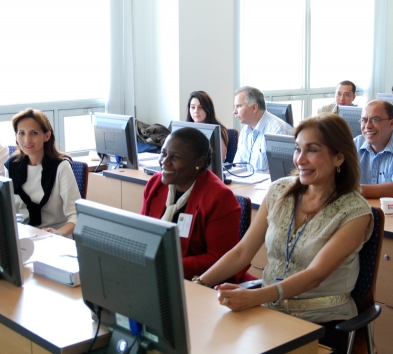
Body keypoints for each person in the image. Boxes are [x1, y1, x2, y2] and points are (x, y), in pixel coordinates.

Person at [193, 114, 373, 353]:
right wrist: (199, 284)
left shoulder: (355, 211)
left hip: (322, 322)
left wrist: (255, 298)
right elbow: (242, 252)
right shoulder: (279, 191)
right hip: (269, 309)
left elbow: (316, 274)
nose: (300, 159)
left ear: (339, 156)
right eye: (298, 149)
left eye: (312, 150)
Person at [141, 127, 246, 281]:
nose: (165, 161)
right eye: (163, 153)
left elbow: (219, 259)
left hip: (199, 282)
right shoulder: (155, 184)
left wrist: (166, 265)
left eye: (175, 157)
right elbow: (144, 234)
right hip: (157, 272)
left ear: (199, 162)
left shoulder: (219, 198)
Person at [5, 109, 81, 237]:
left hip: (56, 237)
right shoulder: (11, 166)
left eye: (34, 133)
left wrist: (59, 233)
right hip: (24, 236)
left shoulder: (61, 167)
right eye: (21, 133)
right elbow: (7, 210)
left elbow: (76, 214)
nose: (27, 140)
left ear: (46, 136)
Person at [354, 100, 393, 200]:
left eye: (375, 120)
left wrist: (353, 191)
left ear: (391, 124)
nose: (367, 126)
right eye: (364, 120)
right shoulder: (355, 144)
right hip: (362, 210)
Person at [233, 86, 293, 173]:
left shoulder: (277, 130)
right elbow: (238, 165)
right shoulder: (245, 131)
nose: (234, 111)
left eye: (239, 106)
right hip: (247, 183)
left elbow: (278, 172)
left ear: (254, 108)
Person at [186, 90, 229, 161]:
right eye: (193, 107)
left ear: (208, 109)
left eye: (201, 107)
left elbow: (218, 160)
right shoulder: (185, 130)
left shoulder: (219, 130)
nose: (196, 111)